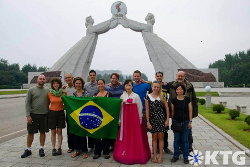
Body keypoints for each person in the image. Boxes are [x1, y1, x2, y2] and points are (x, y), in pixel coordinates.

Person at [113, 79, 151, 164]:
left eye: (129, 85)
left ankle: (135, 153)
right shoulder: (122, 96)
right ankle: (124, 152)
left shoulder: (136, 96)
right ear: (125, 87)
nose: (128, 87)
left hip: (134, 121)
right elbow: (120, 109)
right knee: (126, 136)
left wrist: (140, 120)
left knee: (134, 136)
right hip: (125, 120)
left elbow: (139, 108)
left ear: (132, 86)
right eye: (126, 85)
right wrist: (119, 120)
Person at [168, 71, 198, 152]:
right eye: (178, 76)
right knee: (178, 131)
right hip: (177, 113)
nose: (180, 77)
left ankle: (189, 147)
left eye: (181, 76)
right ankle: (180, 148)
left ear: (185, 76)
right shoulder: (172, 85)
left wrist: (194, 113)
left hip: (187, 112)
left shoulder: (190, 86)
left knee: (188, 131)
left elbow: (194, 99)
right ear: (176, 76)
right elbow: (158, 85)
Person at [21, 74, 49, 158]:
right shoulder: (31, 90)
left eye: (43, 79)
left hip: (44, 114)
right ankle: (28, 149)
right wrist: (28, 115)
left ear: (45, 80)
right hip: (33, 114)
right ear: (37, 80)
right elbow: (27, 103)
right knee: (30, 132)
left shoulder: (48, 90)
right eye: (40, 79)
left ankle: (41, 148)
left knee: (43, 132)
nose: (42, 80)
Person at [145, 81, 169, 163]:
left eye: (158, 87)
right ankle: (154, 156)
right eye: (154, 87)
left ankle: (160, 156)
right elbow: (147, 110)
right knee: (154, 138)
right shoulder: (147, 97)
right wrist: (148, 122)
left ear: (160, 88)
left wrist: (167, 120)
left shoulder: (163, 96)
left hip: (161, 119)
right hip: (152, 120)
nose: (156, 88)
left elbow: (167, 108)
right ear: (152, 87)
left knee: (161, 138)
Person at [170, 84, 192, 164]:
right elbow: (172, 112)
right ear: (175, 91)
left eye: (181, 89)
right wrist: (172, 122)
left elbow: (190, 111)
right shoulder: (173, 100)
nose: (179, 91)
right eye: (177, 89)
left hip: (185, 122)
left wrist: (190, 121)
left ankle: (186, 156)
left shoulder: (187, 99)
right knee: (176, 140)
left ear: (183, 90)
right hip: (176, 122)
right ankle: (176, 155)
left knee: (185, 140)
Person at [93, 79, 112, 159]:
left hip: (105, 117)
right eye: (99, 84)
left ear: (105, 84)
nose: (100, 85)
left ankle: (106, 151)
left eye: (102, 84)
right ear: (97, 85)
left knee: (105, 135)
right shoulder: (95, 94)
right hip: (97, 117)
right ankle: (97, 152)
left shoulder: (109, 94)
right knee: (97, 135)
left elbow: (112, 105)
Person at [105, 73, 124, 150]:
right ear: (110, 79)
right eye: (113, 78)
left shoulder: (121, 86)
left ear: (118, 80)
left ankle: (117, 145)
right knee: (111, 127)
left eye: (116, 78)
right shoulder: (106, 87)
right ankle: (111, 144)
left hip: (119, 110)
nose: (114, 80)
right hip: (110, 110)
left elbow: (131, 83)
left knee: (118, 128)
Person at [71, 77, 89, 159]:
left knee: (82, 134)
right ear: (74, 84)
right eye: (76, 83)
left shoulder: (86, 94)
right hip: (75, 117)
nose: (78, 85)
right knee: (76, 134)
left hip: (83, 116)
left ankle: (85, 151)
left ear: (82, 84)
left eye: (79, 83)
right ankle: (77, 150)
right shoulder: (73, 95)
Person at [155, 71, 172, 154]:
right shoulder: (153, 85)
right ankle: (157, 147)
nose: (159, 77)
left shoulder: (166, 85)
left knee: (165, 129)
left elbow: (172, 93)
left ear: (162, 77)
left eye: (160, 76)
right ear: (155, 77)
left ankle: (165, 147)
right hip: (155, 110)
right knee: (156, 129)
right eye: (157, 76)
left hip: (164, 110)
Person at [47, 78, 66, 156]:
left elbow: (65, 103)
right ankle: (53, 148)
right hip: (52, 113)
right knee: (53, 131)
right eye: (54, 83)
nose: (56, 85)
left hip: (60, 113)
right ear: (52, 85)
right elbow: (47, 104)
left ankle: (59, 147)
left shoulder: (63, 93)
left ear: (59, 84)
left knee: (59, 131)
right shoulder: (49, 94)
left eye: (57, 83)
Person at [84, 70, 99, 152]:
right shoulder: (86, 85)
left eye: (93, 75)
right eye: (91, 75)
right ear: (89, 76)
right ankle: (90, 145)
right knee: (89, 126)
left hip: (97, 109)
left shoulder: (99, 84)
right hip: (88, 109)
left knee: (96, 126)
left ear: (95, 76)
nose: (92, 76)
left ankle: (97, 145)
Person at [63, 73, 76, 153]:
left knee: (78, 129)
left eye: (69, 77)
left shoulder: (77, 87)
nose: (68, 79)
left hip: (77, 112)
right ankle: (71, 146)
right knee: (69, 129)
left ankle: (79, 146)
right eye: (66, 78)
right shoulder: (65, 89)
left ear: (72, 78)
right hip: (69, 112)